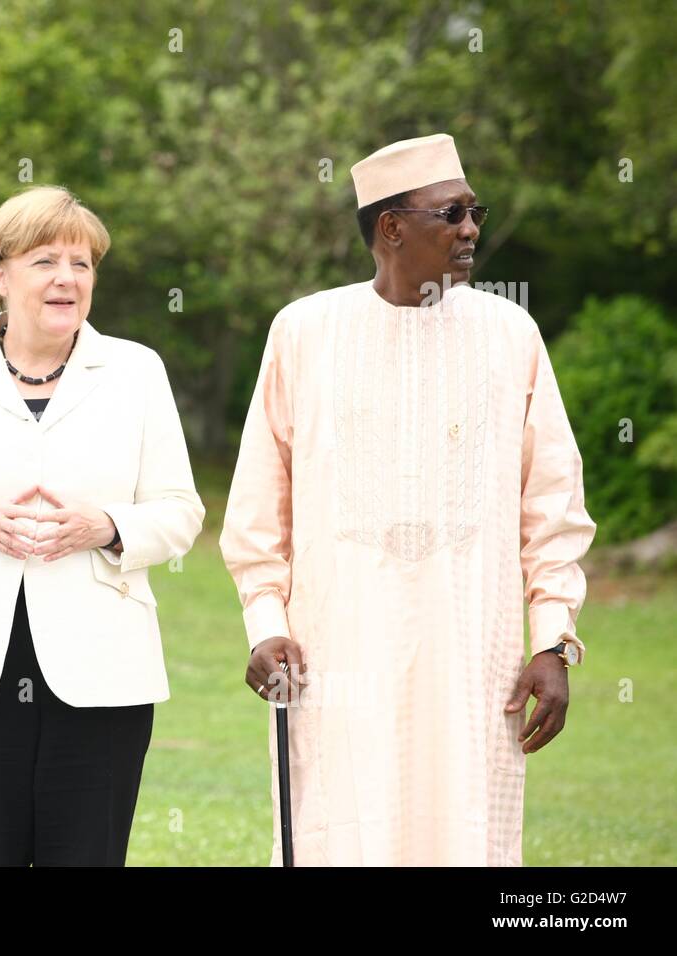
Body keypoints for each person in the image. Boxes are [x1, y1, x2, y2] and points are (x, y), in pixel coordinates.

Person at [220, 133, 596, 865]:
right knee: (341, 825)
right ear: (391, 228)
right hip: (334, 651)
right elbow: (259, 505)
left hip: (472, 652)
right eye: (451, 214)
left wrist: (552, 639)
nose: (471, 230)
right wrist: (264, 622)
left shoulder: (509, 332)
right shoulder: (305, 331)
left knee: (464, 833)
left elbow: (551, 501)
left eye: (474, 211)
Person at [0, 185, 205, 866]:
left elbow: (180, 511)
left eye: (82, 264)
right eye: (45, 260)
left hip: (103, 672)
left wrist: (106, 525)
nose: (67, 279)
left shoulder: (137, 370)